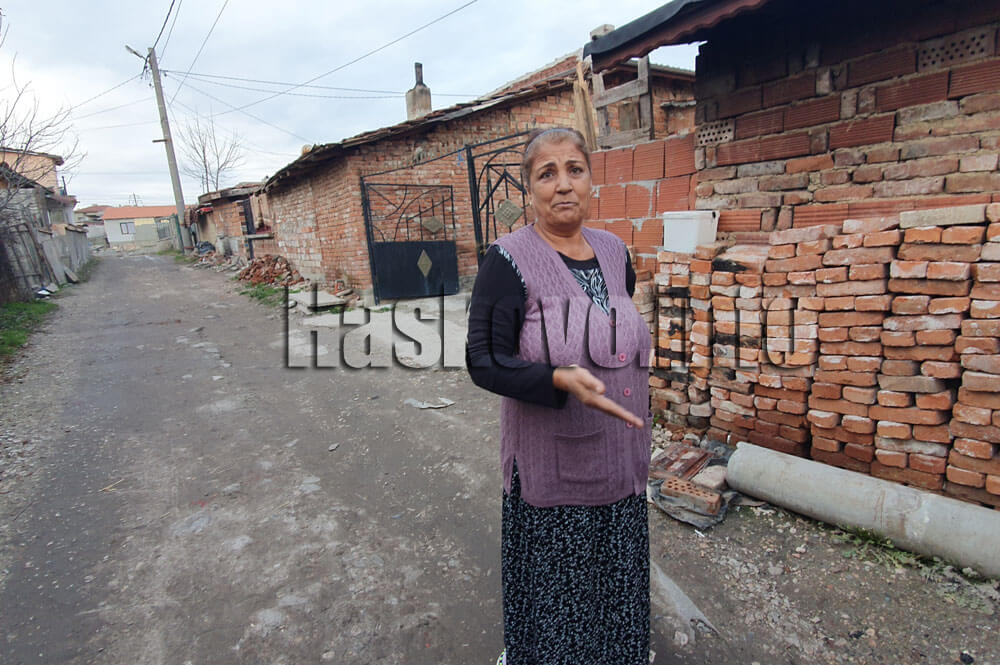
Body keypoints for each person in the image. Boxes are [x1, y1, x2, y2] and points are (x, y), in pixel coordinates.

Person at [466, 127, 652, 665]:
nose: (563, 184)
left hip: (620, 456)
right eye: (547, 173)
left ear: (592, 179)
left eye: (575, 169)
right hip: (553, 465)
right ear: (528, 189)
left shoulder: (615, 252)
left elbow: (616, 326)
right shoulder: (508, 261)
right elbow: (482, 359)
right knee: (561, 593)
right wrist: (554, 378)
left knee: (615, 575)